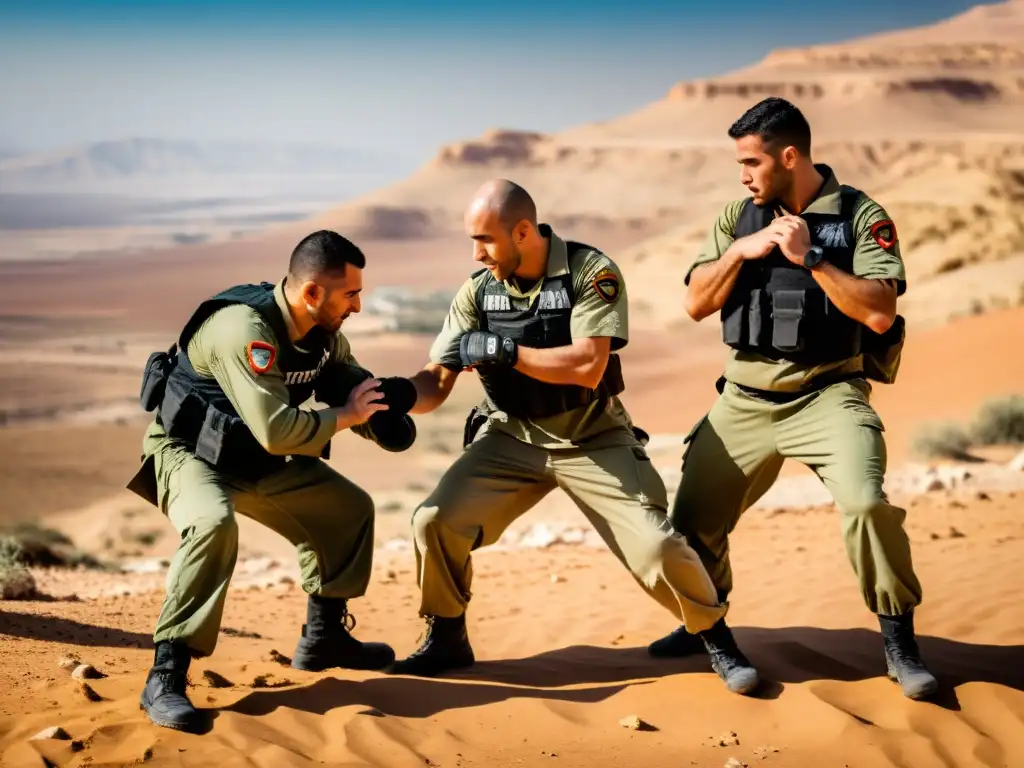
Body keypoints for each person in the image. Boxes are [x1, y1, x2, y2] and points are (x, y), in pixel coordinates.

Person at [384, 178, 760, 695]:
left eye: (486, 241)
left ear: (521, 232)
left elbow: (588, 365)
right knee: (433, 521)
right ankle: (447, 634)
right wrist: (397, 396)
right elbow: (438, 378)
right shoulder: (478, 291)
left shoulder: (590, 271)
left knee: (656, 546)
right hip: (511, 437)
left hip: (592, 434)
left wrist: (507, 353)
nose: (476, 254)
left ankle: (713, 635)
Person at [645, 97, 938, 700]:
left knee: (865, 506)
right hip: (745, 397)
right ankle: (709, 628)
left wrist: (812, 258)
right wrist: (738, 253)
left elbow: (881, 313)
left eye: (752, 162)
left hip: (827, 393)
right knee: (689, 528)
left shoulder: (859, 215)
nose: (744, 175)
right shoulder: (736, 216)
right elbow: (696, 303)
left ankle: (899, 642)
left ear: (789, 155)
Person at [125, 230, 419, 732]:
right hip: (191, 455)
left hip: (255, 459)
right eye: (350, 295)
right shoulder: (245, 329)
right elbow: (279, 431)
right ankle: (166, 675)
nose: (358, 307)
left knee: (348, 510)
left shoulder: (324, 339)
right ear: (311, 293)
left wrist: (378, 416)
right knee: (213, 523)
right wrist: (346, 417)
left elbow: (349, 383)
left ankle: (323, 638)